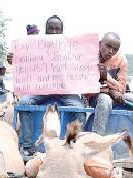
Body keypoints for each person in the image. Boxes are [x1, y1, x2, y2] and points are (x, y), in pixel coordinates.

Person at [17, 15, 85, 156]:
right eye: (51, 29)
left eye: (57, 29)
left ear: (62, 31)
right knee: (24, 103)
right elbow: (26, 63)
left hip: (65, 91)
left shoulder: (71, 47)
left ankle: (76, 145)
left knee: (79, 109)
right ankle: (28, 146)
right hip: (42, 89)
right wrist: (15, 59)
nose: (54, 32)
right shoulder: (36, 46)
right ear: (45, 31)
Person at [87, 32, 127, 136]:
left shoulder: (121, 60)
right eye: (108, 46)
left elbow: (122, 88)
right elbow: (86, 90)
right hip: (99, 98)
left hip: (118, 97)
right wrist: (110, 90)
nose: (111, 51)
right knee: (104, 100)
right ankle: (96, 143)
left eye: (115, 49)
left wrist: (106, 78)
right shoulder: (89, 57)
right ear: (100, 44)